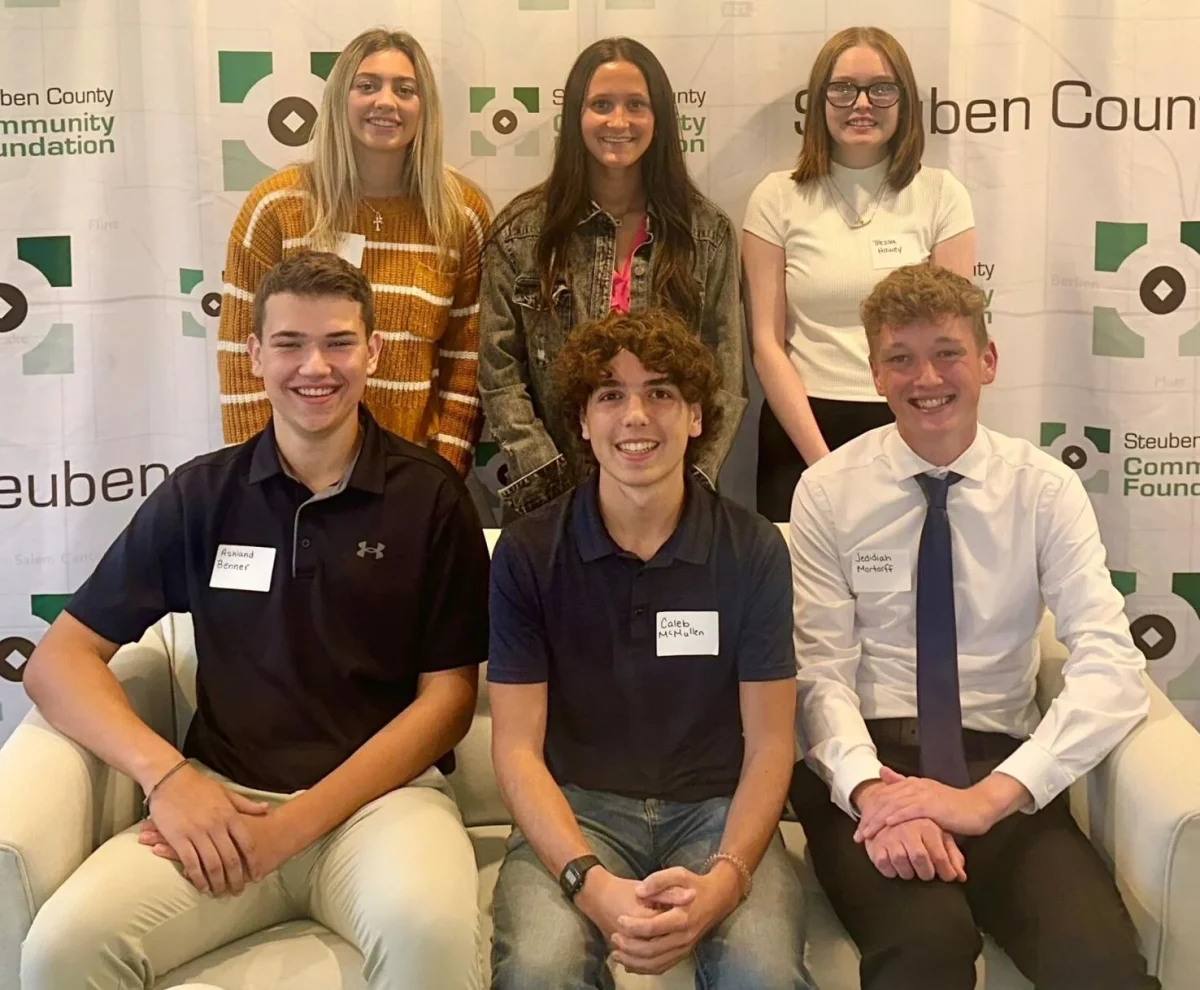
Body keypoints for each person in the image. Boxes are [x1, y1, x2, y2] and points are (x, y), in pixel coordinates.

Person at [21, 252, 489, 990]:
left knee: (428, 934)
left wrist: (293, 830)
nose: (316, 366)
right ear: (254, 355)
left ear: (373, 352)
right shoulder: (200, 495)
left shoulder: (431, 498)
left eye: (338, 342)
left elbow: (449, 700)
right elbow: (58, 661)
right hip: (223, 803)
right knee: (63, 950)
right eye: (290, 343)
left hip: (382, 808)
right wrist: (167, 776)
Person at [788, 263, 1158, 990]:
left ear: (987, 360)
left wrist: (990, 797)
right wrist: (875, 795)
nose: (927, 377)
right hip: (873, 773)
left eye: (948, 352)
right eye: (900, 358)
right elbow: (815, 673)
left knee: (1102, 970)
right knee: (926, 954)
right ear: (875, 374)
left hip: (1005, 771)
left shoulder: (1043, 489)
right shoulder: (828, 492)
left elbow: (1113, 666)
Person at [486, 309, 810, 989]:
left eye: (660, 392)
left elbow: (772, 744)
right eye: (610, 395)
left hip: (717, 814)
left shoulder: (752, 551)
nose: (636, 416)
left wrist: (726, 882)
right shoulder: (527, 553)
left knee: (765, 975)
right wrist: (589, 883)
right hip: (577, 812)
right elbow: (515, 748)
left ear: (695, 416)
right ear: (581, 421)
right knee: (539, 970)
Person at [479, 37, 747, 517]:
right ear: (575, 117)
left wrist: (683, 483)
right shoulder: (522, 233)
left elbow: (723, 380)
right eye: (601, 105)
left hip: (672, 502)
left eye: (636, 105)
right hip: (550, 505)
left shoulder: (706, 235)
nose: (618, 122)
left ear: (660, 117)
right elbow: (500, 376)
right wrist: (552, 484)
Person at [218, 28, 489, 479]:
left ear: (426, 109)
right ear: (340, 99)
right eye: (367, 85)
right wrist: (261, 479)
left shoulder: (460, 214)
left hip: (411, 478)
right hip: (293, 477)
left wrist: (441, 476)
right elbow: (240, 359)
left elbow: (466, 361)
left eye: (405, 89)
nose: (386, 101)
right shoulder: (278, 209)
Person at [744, 26, 975, 521]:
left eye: (881, 88)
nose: (861, 103)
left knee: (909, 591)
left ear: (905, 100)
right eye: (843, 88)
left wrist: (914, 442)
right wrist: (824, 464)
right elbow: (766, 342)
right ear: (820, 100)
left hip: (913, 422)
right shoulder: (776, 197)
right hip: (801, 429)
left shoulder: (941, 194)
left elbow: (957, 338)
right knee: (804, 596)